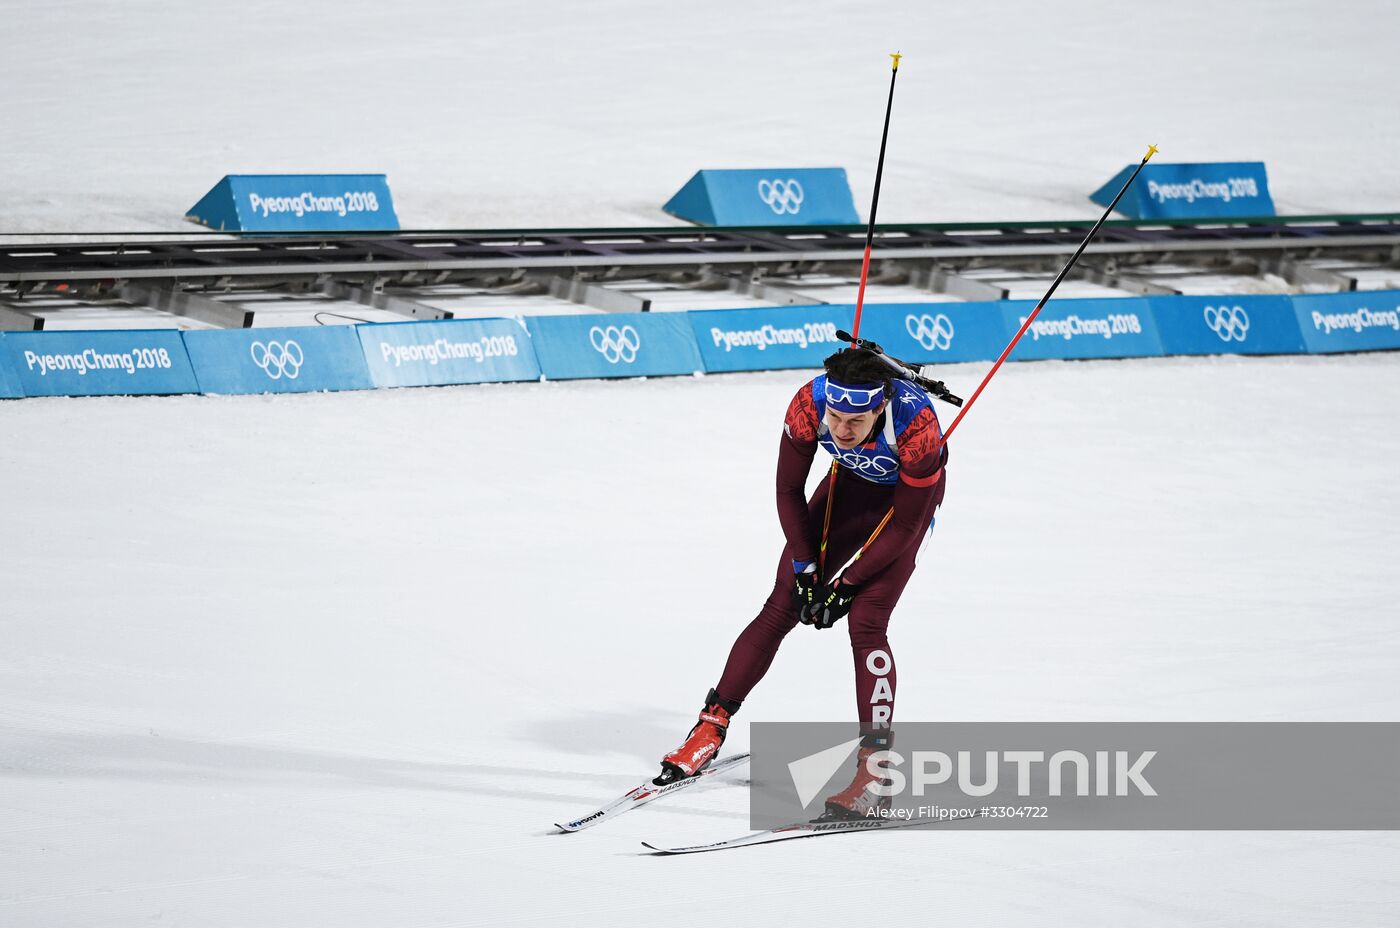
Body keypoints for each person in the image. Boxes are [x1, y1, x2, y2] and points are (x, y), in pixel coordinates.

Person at [658, 345, 948, 819]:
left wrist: (847, 585)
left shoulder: (917, 429)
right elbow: (788, 490)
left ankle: (876, 772)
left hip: (902, 508)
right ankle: (709, 727)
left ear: (879, 407)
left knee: (868, 622)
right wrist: (807, 570)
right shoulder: (808, 404)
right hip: (848, 489)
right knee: (782, 604)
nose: (839, 430)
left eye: (854, 422)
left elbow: (905, 528)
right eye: (834, 418)